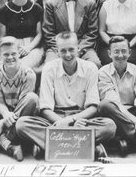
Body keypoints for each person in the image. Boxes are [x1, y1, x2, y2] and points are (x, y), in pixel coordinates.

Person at [15, 31, 116, 160]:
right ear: (57, 51)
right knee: (22, 124)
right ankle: (88, 146)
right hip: (55, 119)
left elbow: (93, 107)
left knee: (109, 126)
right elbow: (45, 109)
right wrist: (61, 122)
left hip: (81, 119)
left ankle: (47, 145)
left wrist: (71, 120)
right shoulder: (49, 68)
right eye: (63, 51)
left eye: (71, 50)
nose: (67, 54)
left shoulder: (90, 68)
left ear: (78, 49)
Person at [98, 36, 136, 157]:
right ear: (109, 54)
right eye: (116, 51)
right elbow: (114, 103)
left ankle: (129, 139)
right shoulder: (103, 72)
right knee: (105, 105)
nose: (120, 55)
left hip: (133, 111)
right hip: (114, 113)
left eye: (124, 51)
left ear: (130, 52)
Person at [43, 0, 101, 68]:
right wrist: (63, 48)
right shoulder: (51, 4)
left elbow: (92, 32)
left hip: (82, 47)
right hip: (58, 47)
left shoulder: (89, 4)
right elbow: (48, 33)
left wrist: (78, 48)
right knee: (49, 66)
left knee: (94, 64)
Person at [0, 0, 44, 70]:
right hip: (10, 46)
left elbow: (39, 34)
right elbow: (2, 36)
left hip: (33, 47)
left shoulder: (36, 8)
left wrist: (28, 48)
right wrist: (14, 49)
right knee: (9, 67)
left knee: (23, 67)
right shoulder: (3, 11)